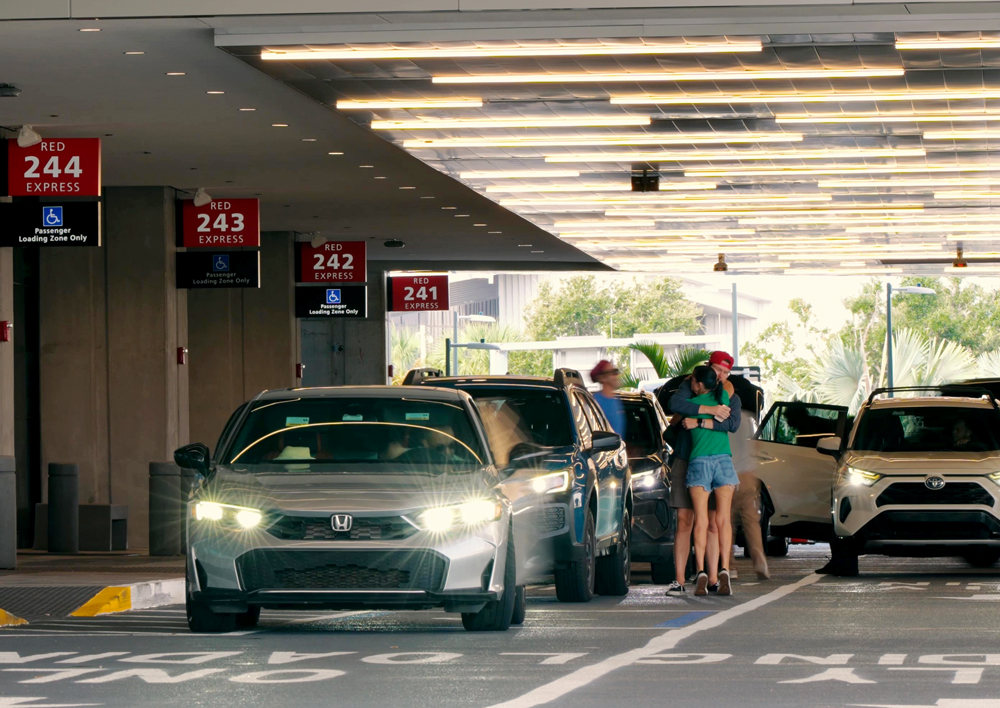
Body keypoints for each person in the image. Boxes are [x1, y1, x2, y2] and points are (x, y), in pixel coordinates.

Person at [664, 351, 741, 595]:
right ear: (708, 368)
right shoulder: (691, 383)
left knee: (710, 524)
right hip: (685, 458)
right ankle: (679, 580)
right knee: (685, 522)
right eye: (717, 369)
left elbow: (732, 423)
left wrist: (700, 420)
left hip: (704, 460)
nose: (721, 375)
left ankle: (711, 578)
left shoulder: (727, 391)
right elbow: (675, 405)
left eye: (726, 372)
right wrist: (711, 410)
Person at [684, 365, 740, 596]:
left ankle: (701, 571)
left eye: (692, 381)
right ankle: (724, 568)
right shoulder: (723, 397)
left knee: (701, 521)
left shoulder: (692, 406)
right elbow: (728, 420)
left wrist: (696, 421)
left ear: (698, 384)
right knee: (724, 520)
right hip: (723, 462)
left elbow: (679, 410)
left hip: (699, 463)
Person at [590, 360, 627, 439]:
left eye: (616, 371)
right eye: (613, 372)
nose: (617, 375)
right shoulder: (596, 402)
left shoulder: (616, 400)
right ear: (602, 378)